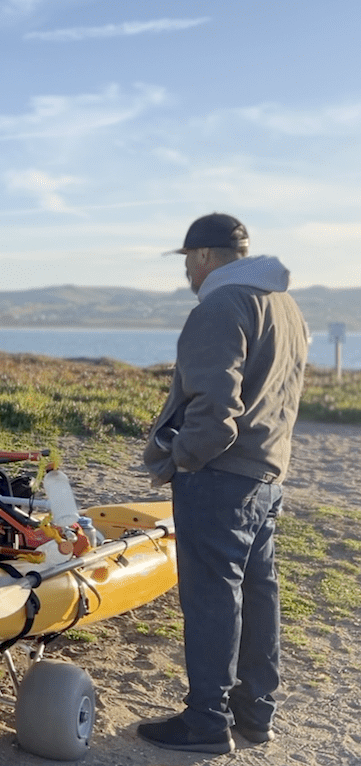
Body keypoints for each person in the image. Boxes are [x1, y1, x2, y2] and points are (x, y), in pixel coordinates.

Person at [138, 213, 308, 754]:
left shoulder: (219, 306)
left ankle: (207, 723)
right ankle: (255, 717)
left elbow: (215, 411)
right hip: (267, 475)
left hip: (219, 477)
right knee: (258, 596)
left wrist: (182, 458)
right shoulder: (285, 306)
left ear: (207, 256)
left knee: (212, 598)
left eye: (188, 258)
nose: (187, 269)